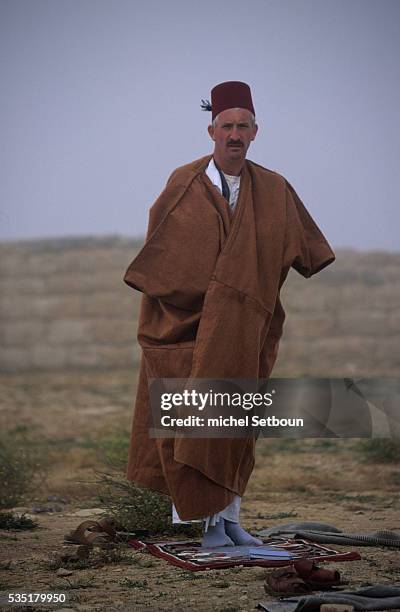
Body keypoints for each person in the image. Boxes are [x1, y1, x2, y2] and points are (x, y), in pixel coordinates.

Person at [123, 81, 335, 547]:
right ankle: (206, 527)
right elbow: (164, 255)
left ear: (256, 132)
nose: (234, 134)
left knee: (238, 426)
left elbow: (308, 251)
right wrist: (218, 289)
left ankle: (231, 519)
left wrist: (243, 293)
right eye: (226, 126)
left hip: (247, 330)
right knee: (193, 426)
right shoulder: (185, 183)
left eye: (243, 126)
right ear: (211, 130)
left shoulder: (276, 189)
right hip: (189, 327)